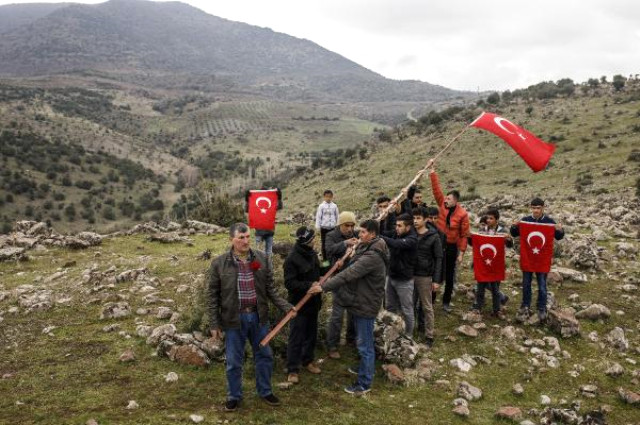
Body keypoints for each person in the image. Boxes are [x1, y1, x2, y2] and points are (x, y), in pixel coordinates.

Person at [206, 223, 296, 412]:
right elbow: (212, 295)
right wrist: (214, 323)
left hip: (258, 318)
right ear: (231, 239)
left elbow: (270, 289)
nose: (246, 241)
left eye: (248, 236)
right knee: (233, 361)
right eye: (241, 238)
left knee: (264, 356)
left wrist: (287, 307)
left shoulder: (261, 259)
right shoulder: (219, 263)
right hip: (233, 320)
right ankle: (234, 396)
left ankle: (265, 391)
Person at [308, 219, 390, 395]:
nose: (358, 235)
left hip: (365, 303)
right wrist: (350, 254)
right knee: (363, 341)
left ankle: (364, 383)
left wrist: (323, 286)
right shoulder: (372, 246)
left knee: (364, 344)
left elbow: (349, 274)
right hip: (362, 298)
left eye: (362, 232)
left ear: (373, 234)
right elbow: (347, 260)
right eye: (358, 231)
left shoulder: (372, 256)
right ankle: (364, 368)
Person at [510, 198, 565, 321]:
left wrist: (560, 229)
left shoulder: (549, 221)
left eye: (538, 208)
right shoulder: (525, 221)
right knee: (526, 284)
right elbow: (514, 234)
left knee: (542, 285)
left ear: (543, 208)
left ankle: (541, 307)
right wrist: (514, 226)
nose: (536, 210)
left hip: (542, 259)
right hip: (528, 258)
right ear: (531, 208)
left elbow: (559, 236)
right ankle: (525, 306)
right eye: (534, 208)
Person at [284, 227, 326, 384]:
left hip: (314, 304)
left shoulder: (313, 253)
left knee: (311, 334)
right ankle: (292, 369)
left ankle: (308, 361)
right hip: (299, 305)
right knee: (297, 337)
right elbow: (290, 283)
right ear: (305, 241)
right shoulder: (292, 259)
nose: (314, 241)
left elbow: (321, 267)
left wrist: (332, 264)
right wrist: (309, 285)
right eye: (312, 239)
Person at [428, 160, 470, 313]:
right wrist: (432, 172)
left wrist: (462, 253)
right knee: (435, 272)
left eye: (449, 199)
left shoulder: (462, 214)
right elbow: (436, 190)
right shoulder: (441, 204)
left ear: (456, 201)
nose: (446, 200)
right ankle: (430, 302)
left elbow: (465, 235)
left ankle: (446, 302)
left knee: (450, 275)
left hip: (452, 246)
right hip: (438, 243)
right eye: (446, 198)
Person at [324, 211, 358, 358]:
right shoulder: (331, 235)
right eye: (347, 225)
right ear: (340, 225)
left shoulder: (356, 234)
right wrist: (345, 243)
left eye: (352, 225)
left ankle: (351, 339)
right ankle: (332, 346)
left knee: (353, 311)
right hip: (338, 279)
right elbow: (329, 249)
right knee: (337, 316)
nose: (350, 229)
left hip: (353, 278)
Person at [470, 209, 513, 319]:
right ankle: (477, 308)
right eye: (487, 218)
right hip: (483, 263)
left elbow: (509, 245)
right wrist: (469, 237)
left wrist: (508, 239)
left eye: (491, 218)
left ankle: (496, 310)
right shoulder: (482, 230)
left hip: (496, 264)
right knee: (481, 287)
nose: (488, 220)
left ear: (497, 220)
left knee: (495, 288)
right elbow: (475, 243)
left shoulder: (502, 230)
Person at [380, 213, 418, 335]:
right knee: (390, 307)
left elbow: (396, 244)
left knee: (407, 309)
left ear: (408, 227)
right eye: (396, 225)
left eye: (400, 226)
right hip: (391, 277)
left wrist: (380, 237)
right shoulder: (396, 234)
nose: (397, 228)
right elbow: (383, 233)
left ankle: (408, 335)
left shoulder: (412, 239)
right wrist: (381, 221)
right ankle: (392, 333)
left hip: (404, 280)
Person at [412, 206, 443, 347]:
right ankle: (410, 331)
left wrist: (436, 280)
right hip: (410, 274)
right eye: (414, 218)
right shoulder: (410, 233)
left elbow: (439, 258)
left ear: (425, 219)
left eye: (418, 218)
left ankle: (429, 336)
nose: (415, 221)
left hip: (425, 276)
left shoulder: (433, 236)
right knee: (409, 304)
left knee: (427, 306)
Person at [244, 187, 283, 259]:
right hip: (264, 232)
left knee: (263, 252)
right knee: (262, 252)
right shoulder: (267, 205)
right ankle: (262, 267)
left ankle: (265, 267)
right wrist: (247, 199)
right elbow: (247, 209)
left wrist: (279, 197)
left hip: (265, 232)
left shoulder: (265, 206)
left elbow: (247, 209)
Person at [315, 190, 339, 261]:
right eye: (326, 197)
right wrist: (318, 227)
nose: (328, 198)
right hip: (324, 229)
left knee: (333, 244)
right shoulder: (321, 206)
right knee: (324, 245)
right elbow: (318, 217)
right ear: (324, 197)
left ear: (332, 197)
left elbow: (337, 216)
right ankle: (325, 262)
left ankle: (333, 259)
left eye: (330, 197)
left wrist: (338, 226)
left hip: (333, 228)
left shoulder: (334, 206)